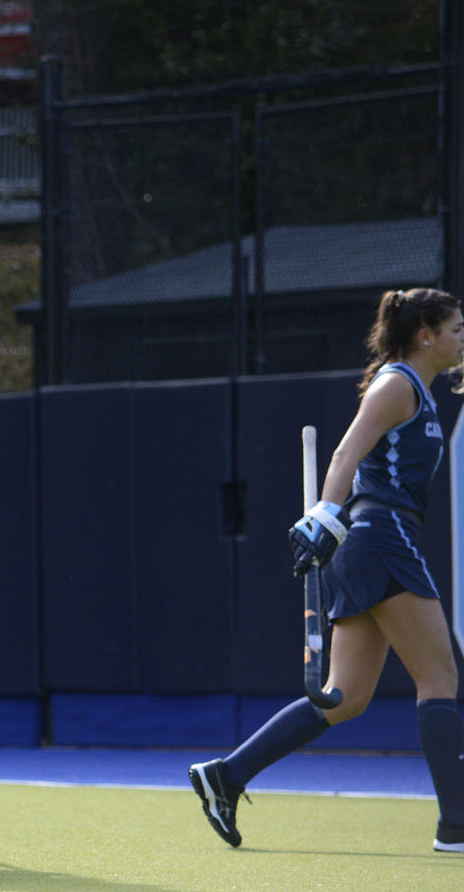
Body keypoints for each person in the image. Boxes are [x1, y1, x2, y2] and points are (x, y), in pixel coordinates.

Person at [191, 288, 464, 854]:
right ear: (426, 336)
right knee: (441, 680)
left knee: (344, 697)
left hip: (374, 542)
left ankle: (227, 775)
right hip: (379, 536)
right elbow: (346, 455)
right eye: (457, 328)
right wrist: (325, 517)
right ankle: (456, 826)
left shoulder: (425, 393)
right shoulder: (397, 384)